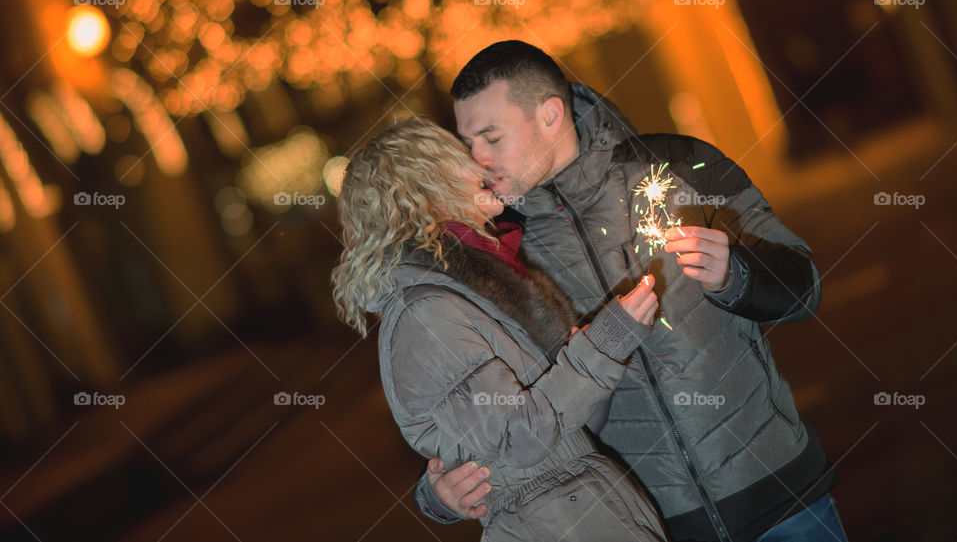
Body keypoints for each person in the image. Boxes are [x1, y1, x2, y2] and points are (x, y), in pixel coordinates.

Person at [414, 40, 847, 542]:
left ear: (550, 116)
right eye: (470, 143)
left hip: (784, 502)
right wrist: (439, 496)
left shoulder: (680, 167)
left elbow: (804, 287)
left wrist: (737, 275)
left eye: (491, 137)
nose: (478, 160)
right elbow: (487, 399)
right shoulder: (498, 248)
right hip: (644, 527)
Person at [331, 118, 668, 541]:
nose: (480, 163)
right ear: (424, 190)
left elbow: (569, 425)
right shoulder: (427, 313)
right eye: (459, 157)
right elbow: (519, 439)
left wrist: (591, 352)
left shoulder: (482, 281)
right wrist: (605, 344)